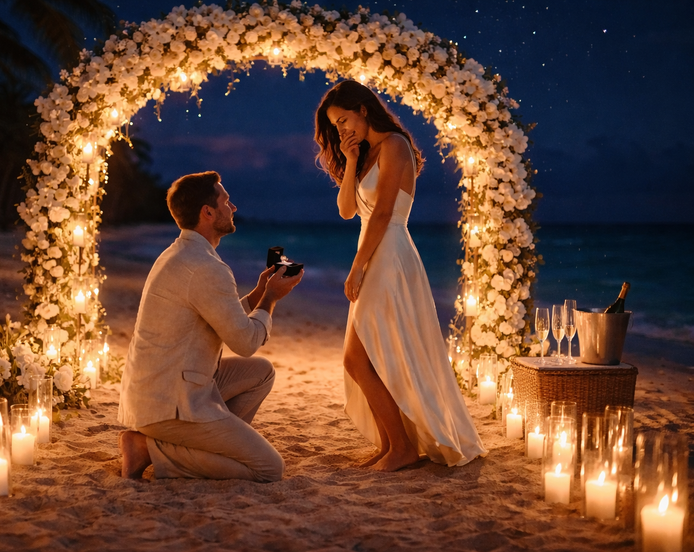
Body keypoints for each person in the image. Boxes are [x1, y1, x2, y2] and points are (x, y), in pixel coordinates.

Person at [314, 80, 487, 471]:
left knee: (358, 357)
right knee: (366, 357)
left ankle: (404, 447)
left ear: (362, 108)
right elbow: (346, 211)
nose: (341, 130)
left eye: (343, 121)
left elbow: (383, 213)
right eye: (335, 126)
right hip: (374, 250)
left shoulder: (394, 145)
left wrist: (358, 266)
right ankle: (393, 444)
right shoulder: (368, 152)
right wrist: (351, 158)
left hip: (388, 253)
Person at [117, 171, 303, 482]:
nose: (233, 208)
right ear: (208, 212)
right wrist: (270, 299)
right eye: (226, 202)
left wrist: (258, 293)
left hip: (157, 388)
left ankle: (215, 444)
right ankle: (149, 449)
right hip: (168, 403)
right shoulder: (206, 267)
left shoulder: (180, 253)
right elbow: (245, 343)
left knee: (260, 373)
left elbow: (219, 319)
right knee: (269, 469)